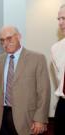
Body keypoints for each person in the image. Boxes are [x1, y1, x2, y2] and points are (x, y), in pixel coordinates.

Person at [0, 26, 50, 135]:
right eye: (2, 40)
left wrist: (40, 119)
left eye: (9, 38)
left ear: (19, 37)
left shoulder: (37, 58)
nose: (5, 43)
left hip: (26, 118)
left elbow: (44, 91)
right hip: (2, 118)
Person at [51, 4, 65, 135]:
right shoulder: (55, 49)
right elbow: (59, 78)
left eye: (64, 18)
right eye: (59, 19)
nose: (60, 23)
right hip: (63, 106)